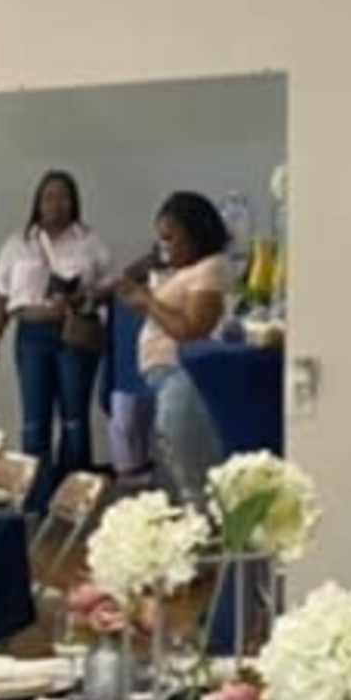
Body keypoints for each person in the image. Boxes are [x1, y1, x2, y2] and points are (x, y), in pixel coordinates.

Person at [0, 169, 106, 517]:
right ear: (37, 201)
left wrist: (84, 296)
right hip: (32, 335)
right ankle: (36, 503)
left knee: (74, 420)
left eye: (64, 197)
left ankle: (75, 502)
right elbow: (1, 301)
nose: (56, 204)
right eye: (49, 197)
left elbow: (109, 288)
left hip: (72, 335)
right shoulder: (17, 243)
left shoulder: (89, 241)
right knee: (35, 421)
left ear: (74, 202)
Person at [110, 189, 235, 493]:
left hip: (183, 378)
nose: (165, 248)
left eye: (171, 239)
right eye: (161, 239)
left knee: (191, 477)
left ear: (195, 235)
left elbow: (192, 329)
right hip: (165, 379)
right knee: (175, 473)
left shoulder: (211, 267)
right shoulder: (186, 271)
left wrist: (147, 302)